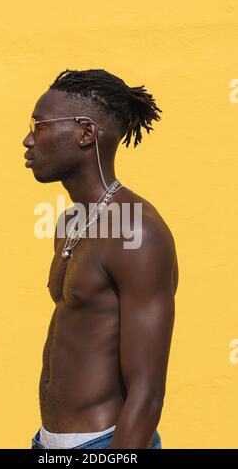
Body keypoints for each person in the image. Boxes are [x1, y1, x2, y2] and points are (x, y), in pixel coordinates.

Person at [23, 69, 178, 449]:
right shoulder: (70, 222)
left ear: (86, 133)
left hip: (104, 444)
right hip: (47, 443)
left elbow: (147, 391)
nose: (27, 139)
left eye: (39, 125)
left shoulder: (138, 234)